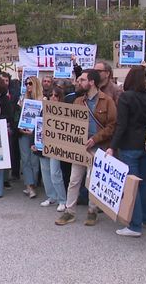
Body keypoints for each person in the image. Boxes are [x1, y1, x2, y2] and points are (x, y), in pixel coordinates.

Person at [106, 66, 146, 237]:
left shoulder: (126, 97)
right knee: (143, 183)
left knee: (132, 185)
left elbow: (121, 125)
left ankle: (135, 225)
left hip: (129, 145)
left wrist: (112, 146)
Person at [56, 69, 116, 226]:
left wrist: (95, 139)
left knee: (92, 180)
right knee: (74, 179)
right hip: (80, 147)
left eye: (82, 80)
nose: (78, 82)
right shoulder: (78, 101)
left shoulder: (107, 101)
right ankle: (69, 212)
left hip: (98, 147)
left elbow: (112, 125)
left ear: (92, 82)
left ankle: (92, 211)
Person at [36, 86, 67, 211]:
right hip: (43, 143)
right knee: (45, 172)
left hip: (56, 144)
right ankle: (51, 196)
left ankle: (62, 199)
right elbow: (38, 124)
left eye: (56, 95)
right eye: (51, 95)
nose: (53, 97)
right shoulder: (43, 109)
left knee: (55, 172)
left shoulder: (64, 110)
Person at [17, 75, 43, 199]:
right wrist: (20, 128)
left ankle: (34, 183)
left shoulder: (43, 100)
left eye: (30, 83)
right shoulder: (22, 99)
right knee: (25, 159)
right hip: (23, 133)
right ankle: (29, 185)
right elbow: (17, 116)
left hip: (36, 134)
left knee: (34, 161)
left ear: (36, 84)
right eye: (26, 84)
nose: (28, 86)